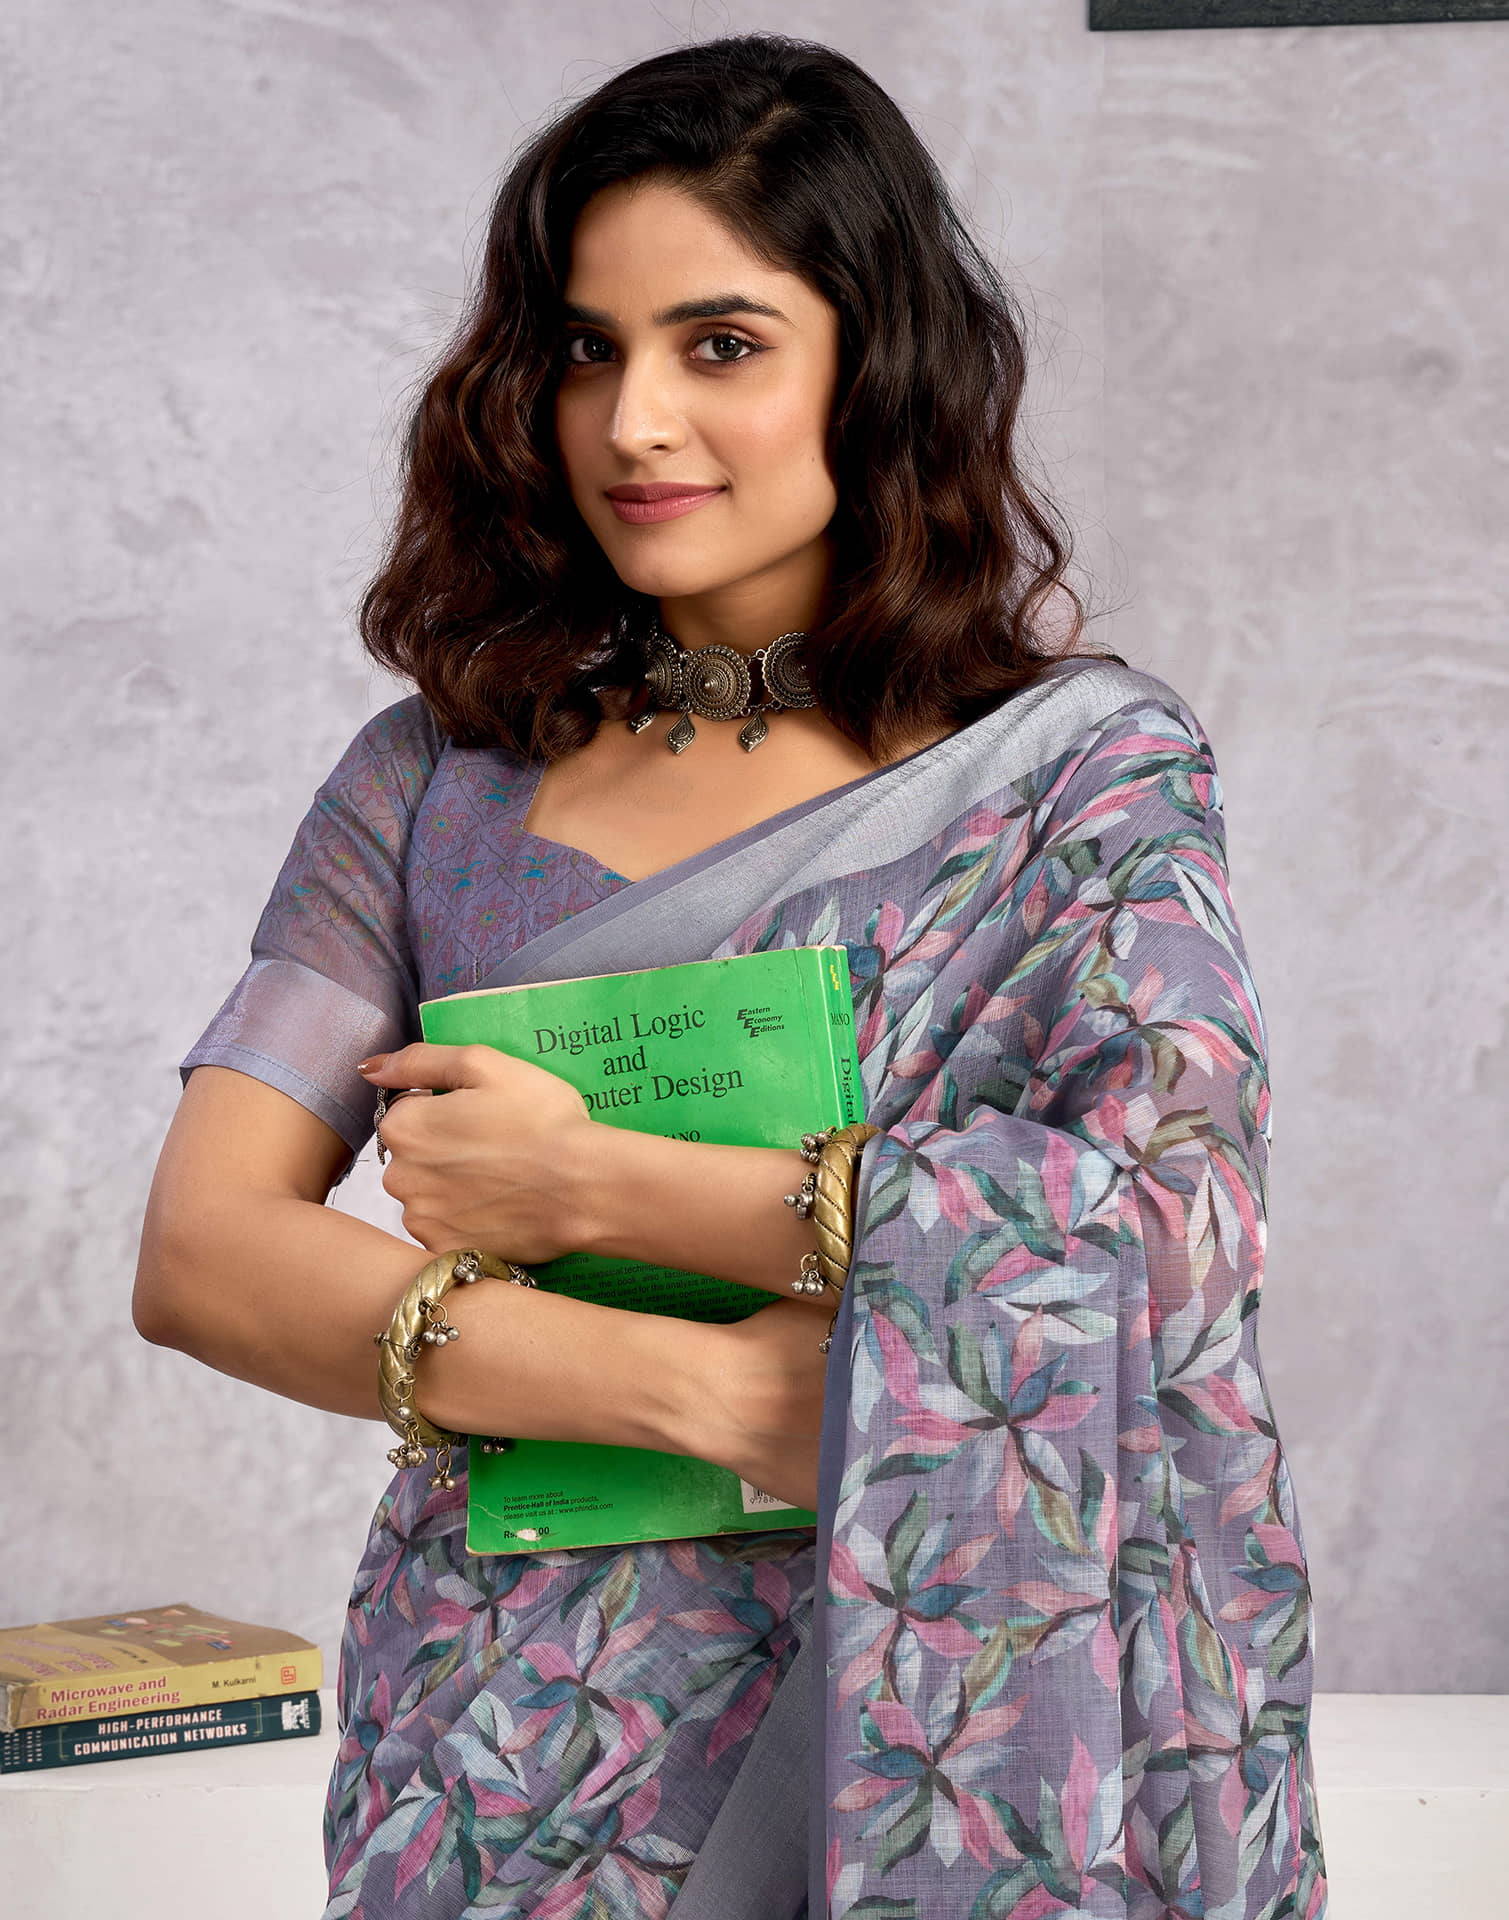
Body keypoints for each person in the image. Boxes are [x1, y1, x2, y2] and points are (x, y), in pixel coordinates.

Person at [132, 31, 1328, 1920]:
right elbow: (204, 1253)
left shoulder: (1076, 776)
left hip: (962, 1695)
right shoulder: (435, 783)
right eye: (584, 349)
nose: (633, 422)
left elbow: (1166, 1235)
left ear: (876, 363)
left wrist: (595, 1186)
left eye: (719, 345)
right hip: (518, 1743)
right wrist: (703, 1394)